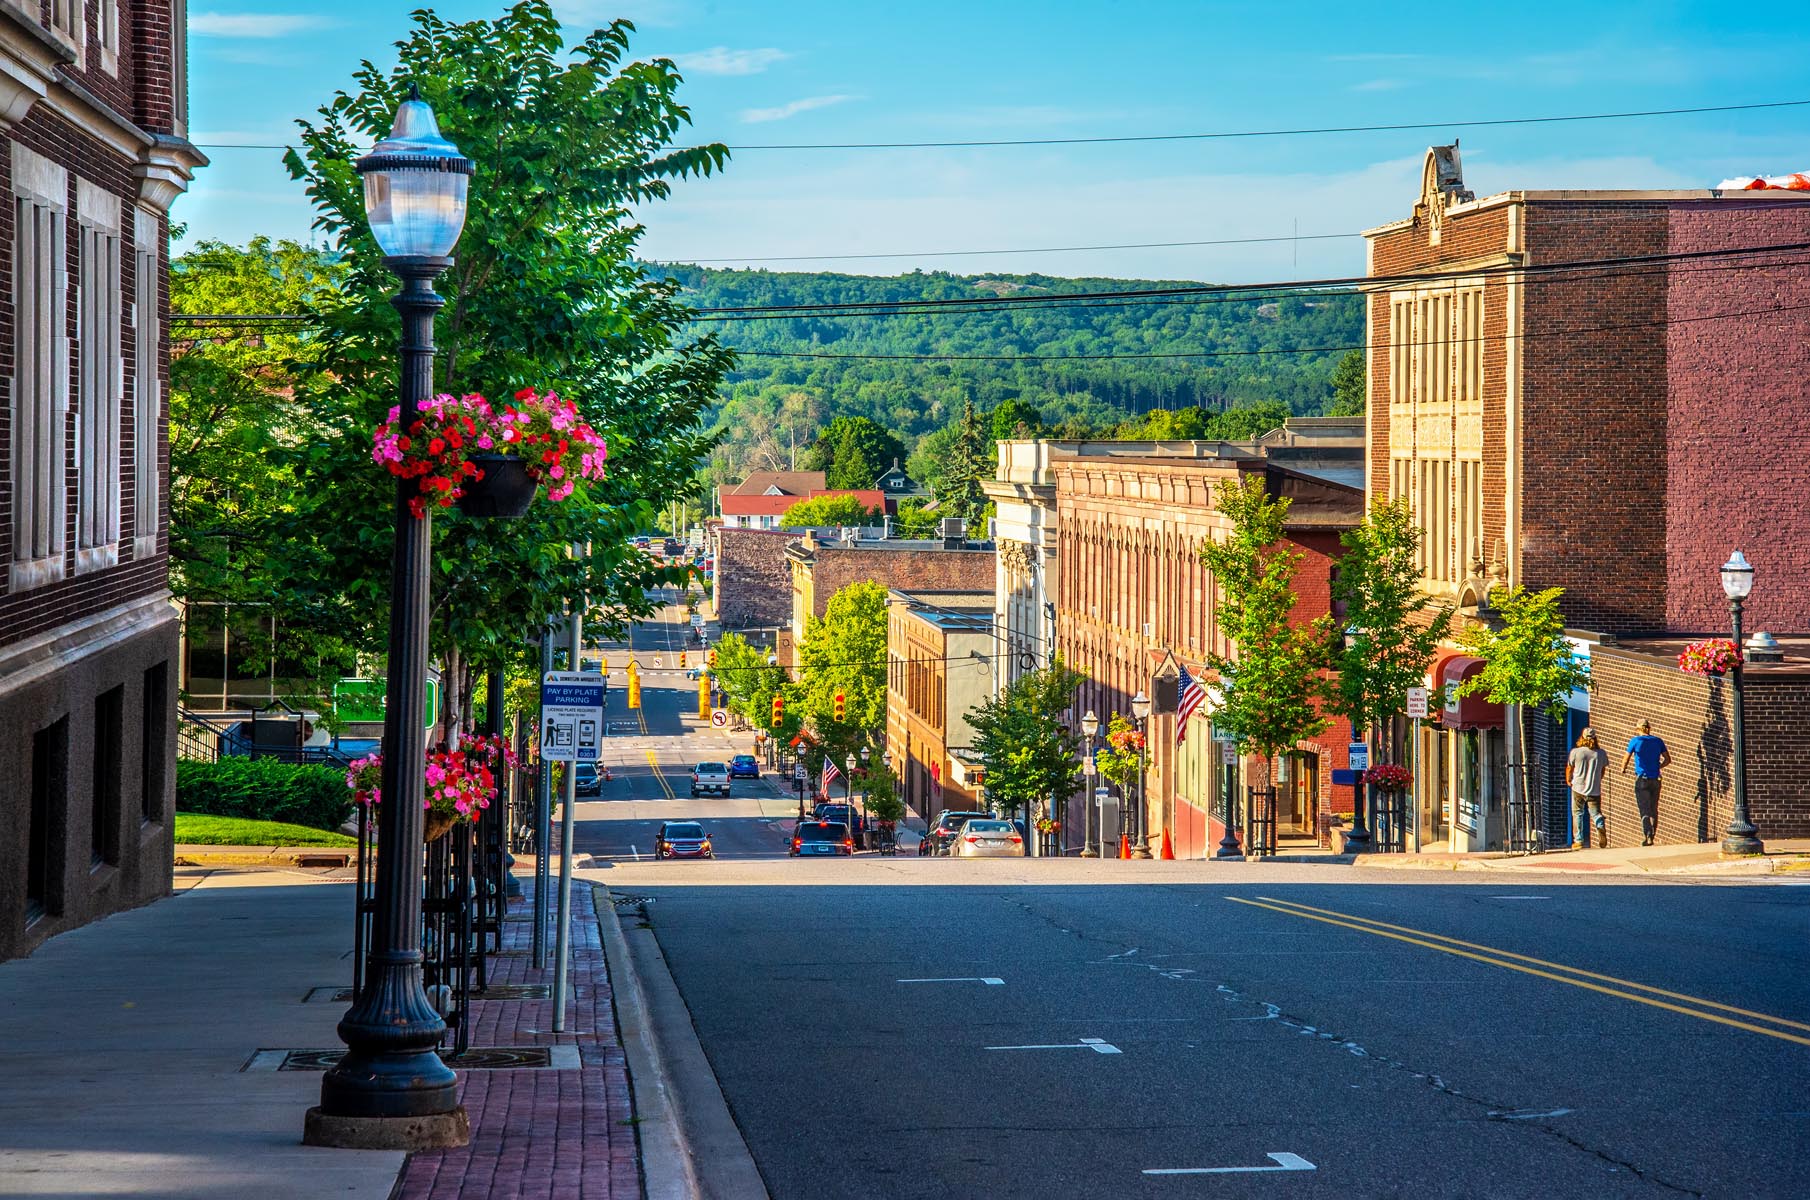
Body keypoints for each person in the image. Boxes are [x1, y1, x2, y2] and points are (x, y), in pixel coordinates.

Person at [1620, 719, 1671, 846]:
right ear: (1649, 728)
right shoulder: (1658, 741)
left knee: (1644, 809)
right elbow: (1667, 759)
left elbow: (1626, 758)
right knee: (1654, 808)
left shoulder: (1636, 741)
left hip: (1642, 778)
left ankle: (1647, 834)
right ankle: (1652, 835)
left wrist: (1623, 769)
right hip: (1656, 778)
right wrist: (1658, 767)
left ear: (1638, 729)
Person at [1565, 727, 1608, 849]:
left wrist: (1568, 780)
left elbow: (1569, 767)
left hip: (1578, 787)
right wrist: (1597, 780)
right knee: (1595, 813)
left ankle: (1578, 840)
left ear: (1582, 737)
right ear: (1595, 738)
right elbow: (1602, 770)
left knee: (1578, 813)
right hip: (1594, 789)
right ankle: (1600, 823)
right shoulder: (1601, 753)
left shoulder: (1576, 752)